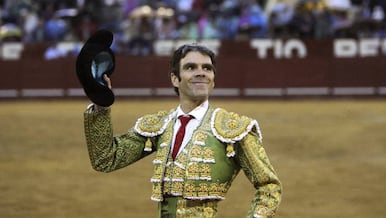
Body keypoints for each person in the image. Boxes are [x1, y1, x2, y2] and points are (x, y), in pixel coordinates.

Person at [83, 43, 282, 217]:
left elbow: (269, 186)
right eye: (190, 67)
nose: (201, 72)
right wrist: (101, 106)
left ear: (213, 78)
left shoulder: (233, 128)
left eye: (207, 68)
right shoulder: (159, 125)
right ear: (175, 79)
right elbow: (106, 159)